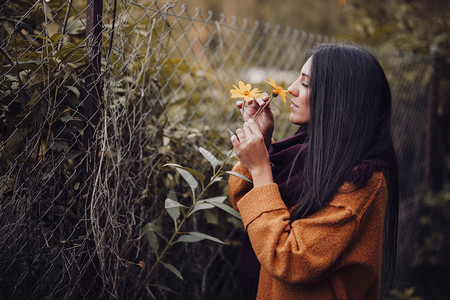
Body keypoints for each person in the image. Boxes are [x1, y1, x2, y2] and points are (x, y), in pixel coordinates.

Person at [228, 43, 399, 300]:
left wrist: (261, 167)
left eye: (305, 83)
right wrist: (263, 144)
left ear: (339, 97)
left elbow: (290, 258)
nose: (291, 89)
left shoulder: (362, 181)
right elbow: (242, 200)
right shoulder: (311, 153)